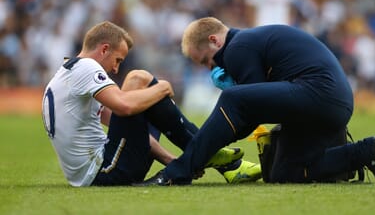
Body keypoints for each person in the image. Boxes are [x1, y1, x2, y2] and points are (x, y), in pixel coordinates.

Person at [144, 17, 375, 185]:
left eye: (208, 60)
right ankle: (366, 152)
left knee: (231, 97)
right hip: (329, 103)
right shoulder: (249, 43)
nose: (213, 69)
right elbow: (249, 110)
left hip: (319, 95)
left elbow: (248, 111)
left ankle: (177, 173)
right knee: (284, 173)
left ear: (214, 40)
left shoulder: (238, 47)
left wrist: (206, 148)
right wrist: (211, 144)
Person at [41, 21, 262, 187]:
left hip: (101, 170)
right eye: (117, 60)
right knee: (138, 79)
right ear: (104, 49)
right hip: (105, 172)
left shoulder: (64, 74)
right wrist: (163, 87)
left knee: (142, 93)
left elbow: (128, 127)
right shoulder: (87, 67)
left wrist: (172, 161)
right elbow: (124, 107)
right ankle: (217, 156)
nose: (116, 69)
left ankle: (210, 153)